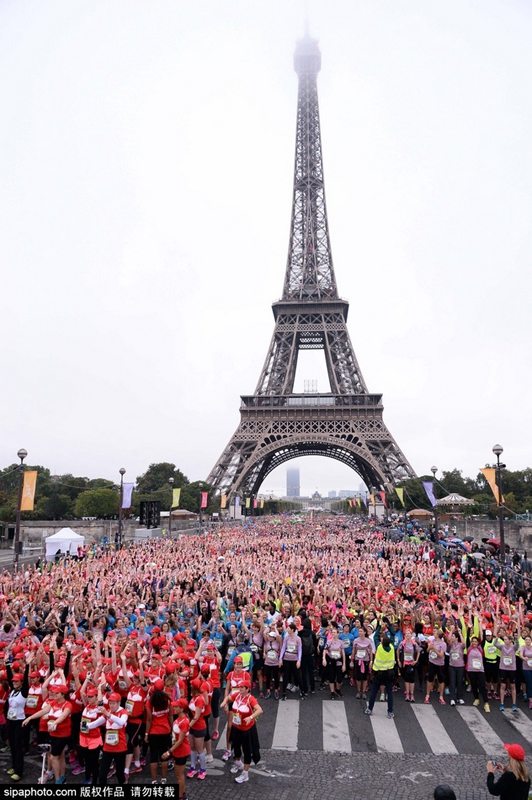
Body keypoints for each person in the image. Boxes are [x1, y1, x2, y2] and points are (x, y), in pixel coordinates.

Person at [364, 634, 396, 718]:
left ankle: (370, 709)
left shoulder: (380, 648)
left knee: (374, 691)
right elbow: (392, 635)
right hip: (389, 672)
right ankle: (390, 712)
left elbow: (375, 637)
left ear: (382, 643)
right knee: (389, 692)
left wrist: (378, 625)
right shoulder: (392, 648)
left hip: (379, 673)